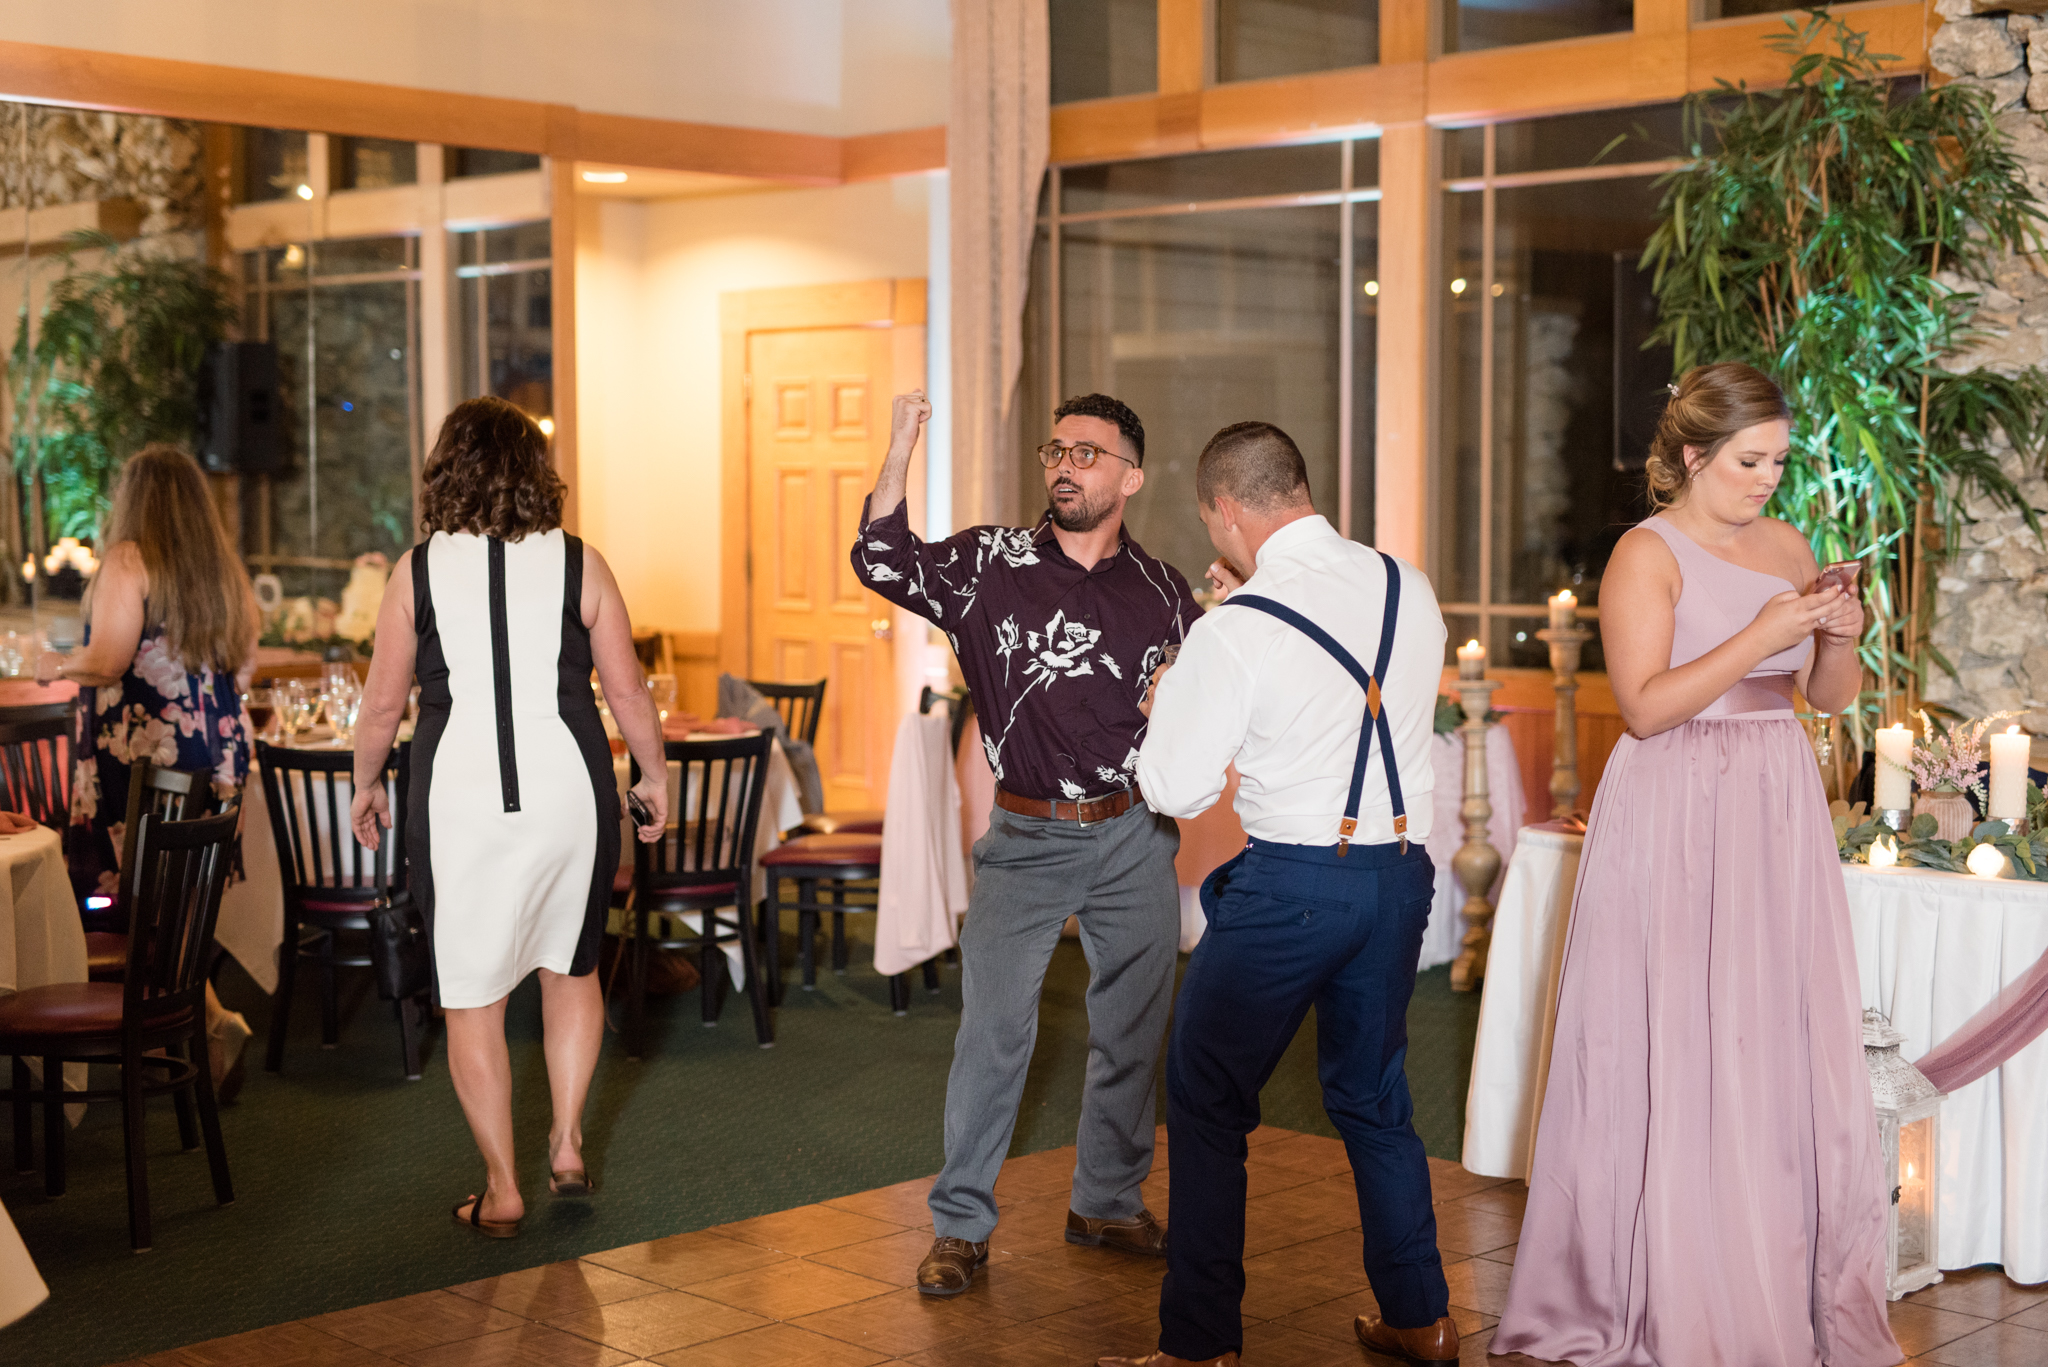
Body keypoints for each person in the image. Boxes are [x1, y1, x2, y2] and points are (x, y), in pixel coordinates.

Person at [1491, 362, 1901, 1366]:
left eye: (1775, 461)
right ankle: (1659, 1278)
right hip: (1671, 804)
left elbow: (1823, 697)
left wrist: (1839, 635)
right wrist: (1762, 630)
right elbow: (1642, 705)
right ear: (1690, 455)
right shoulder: (1644, 552)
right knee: (1671, 1028)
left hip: (1771, 800)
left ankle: (1761, 1265)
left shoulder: (1787, 544)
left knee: (1765, 1033)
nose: (1766, 479)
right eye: (1747, 461)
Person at [1097, 421, 1452, 1367]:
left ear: (1224, 508)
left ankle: (1199, 1345)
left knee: (1207, 1095)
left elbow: (1172, 788)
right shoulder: (1404, 586)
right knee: (1375, 1098)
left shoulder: (1233, 631)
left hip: (1292, 886)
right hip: (1399, 877)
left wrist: (1176, 691)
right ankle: (1423, 1317)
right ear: (1298, 489)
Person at [852, 389, 1195, 1294]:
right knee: (994, 1032)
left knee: (1132, 1026)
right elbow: (880, 556)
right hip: (1026, 834)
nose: (1064, 464)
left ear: (1130, 476)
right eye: (1055, 449)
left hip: (1134, 832)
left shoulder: (1165, 592)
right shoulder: (988, 563)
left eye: (1087, 452)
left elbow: (1200, 707)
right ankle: (960, 1225)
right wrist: (900, 444)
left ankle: (1107, 1202)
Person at [348, 396, 668, 1238]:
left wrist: (366, 783)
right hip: (570, 791)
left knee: (472, 997)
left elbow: (382, 706)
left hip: (458, 802)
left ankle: (501, 1185)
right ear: (536, 472)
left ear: (445, 469)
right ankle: (564, 1139)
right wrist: (656, 773)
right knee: (573, 967)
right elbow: (627, 691)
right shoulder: (580, 563)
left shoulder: (414, 572)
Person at [47, 444, 260, 1096]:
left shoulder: (129, 558)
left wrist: (50, 666)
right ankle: (206, 1025)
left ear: (134, 499)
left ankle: (206, 1024)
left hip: (147, 759)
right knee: (180, 914)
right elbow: (244, 662)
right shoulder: (221, 569)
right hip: (216, 753)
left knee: (146, 909)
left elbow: (109, 659)